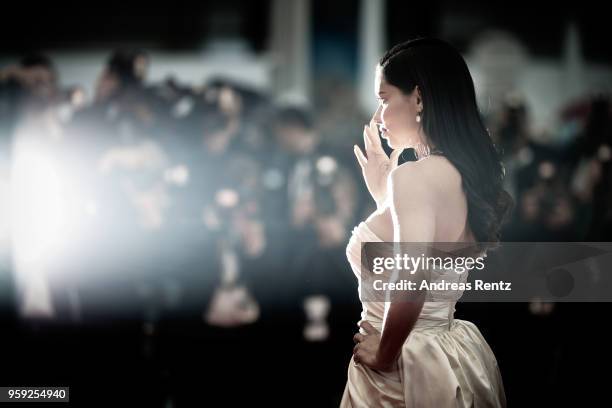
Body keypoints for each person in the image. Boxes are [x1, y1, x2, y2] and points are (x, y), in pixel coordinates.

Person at [340, 38, 513, 407]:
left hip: (405, 362)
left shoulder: (415, 178)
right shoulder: (462, 174)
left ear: (418, 99)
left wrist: (385, 354)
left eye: (384, 99)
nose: (378, 117)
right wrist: (385, 200)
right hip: (450, 351)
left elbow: (413, 275)